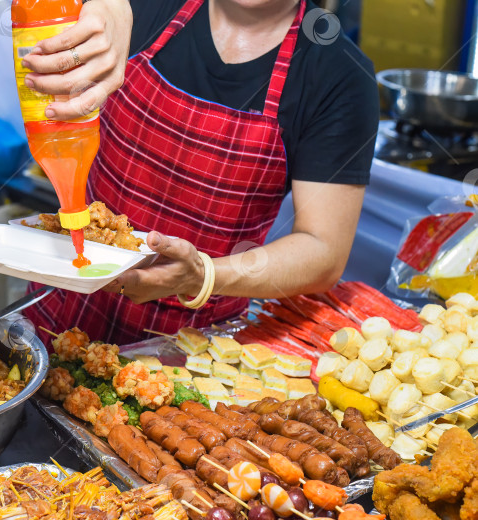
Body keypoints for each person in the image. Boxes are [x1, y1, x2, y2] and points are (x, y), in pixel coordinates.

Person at [20, 0, 379, 344]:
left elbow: (323, 251)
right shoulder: (135, 8)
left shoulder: (340, 77)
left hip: (187, 354)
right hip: (61, 305)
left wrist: (202, 275)